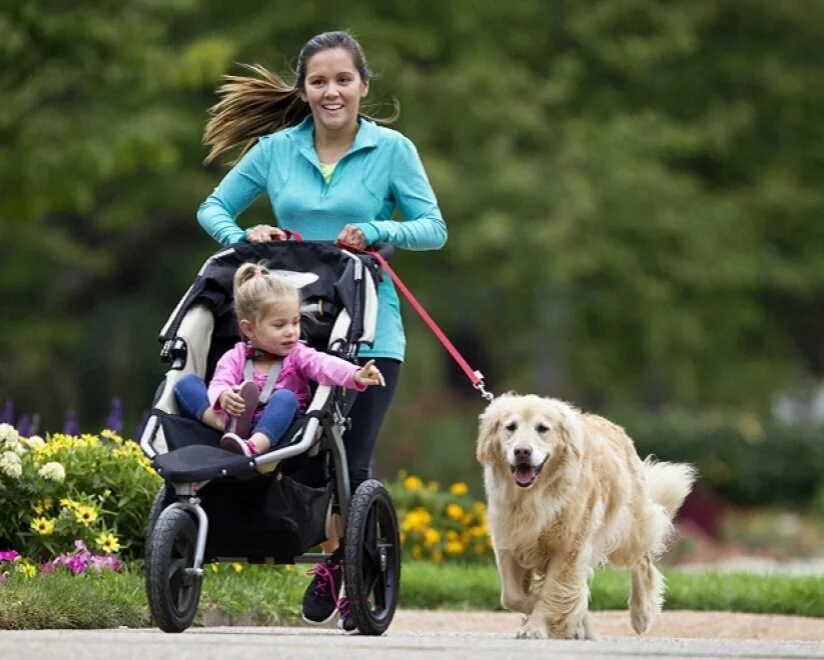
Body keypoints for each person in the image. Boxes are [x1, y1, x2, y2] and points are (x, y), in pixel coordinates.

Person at [196, 30, 447, 631]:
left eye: (342, 80)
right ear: (304, 89)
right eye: (318, 81)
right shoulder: (277, 150)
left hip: (370, 329)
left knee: (351, 460)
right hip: (290, 330)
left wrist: (377, 228)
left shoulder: (392, 151)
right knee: (302, 452)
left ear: (362, 85)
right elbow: (213, 208)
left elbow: (433, 226)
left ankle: (341, 565)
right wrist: (245, 237)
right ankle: (322, 545)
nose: (331, 91)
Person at [173, 262, 385, 456]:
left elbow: (324, 365)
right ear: (249, 328)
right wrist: (224, 396)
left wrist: (355, 374)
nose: (291, 332)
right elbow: (220, 381)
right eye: (279, 325)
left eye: (295, 322)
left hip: (277, 422)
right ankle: (222, 424)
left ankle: (254, 445)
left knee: (286, 397)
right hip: (234, 416)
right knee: (185, 383)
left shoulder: (298, 354)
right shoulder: (234, 357)